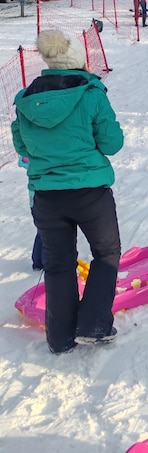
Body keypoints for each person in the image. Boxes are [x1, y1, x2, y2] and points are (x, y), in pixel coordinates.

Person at [11, 30, 123, 354]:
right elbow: (112, 143)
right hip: (90, 192)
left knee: (59, 264)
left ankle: (59, 339)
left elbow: (22, 146)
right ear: (77, 60)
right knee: (106, 254)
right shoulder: (91, 93)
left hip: (46, 195)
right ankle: (94, 323)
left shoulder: (26, 99)